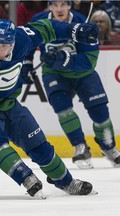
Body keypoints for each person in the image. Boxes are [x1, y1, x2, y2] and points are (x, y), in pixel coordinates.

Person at [0, 18, 99, 198]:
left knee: (39, 146)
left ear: (12, 44)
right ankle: (26, 178)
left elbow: (47, 27)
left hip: (11, 105)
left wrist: (73, 29)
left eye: (3, 45)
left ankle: (66, 181)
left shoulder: (22, 40)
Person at [23, 0, 120, 169]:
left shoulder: (82, 22)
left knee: (100, 113)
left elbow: (89, 61)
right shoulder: (39, 20)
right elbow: (27, 42)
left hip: (84, 74)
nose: (59, 9)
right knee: (63, 110)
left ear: (69, 6)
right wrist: (27, 63)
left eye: (63, 5)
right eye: (55, 5)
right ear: (50, 6)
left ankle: (109, 147)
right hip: (54, 74)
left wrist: (63, 59)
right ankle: (80, 146)